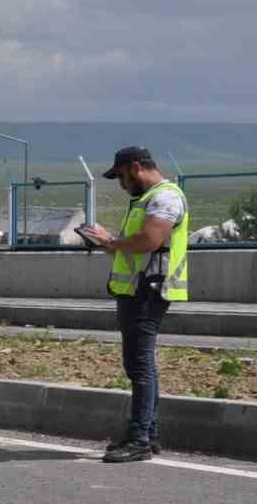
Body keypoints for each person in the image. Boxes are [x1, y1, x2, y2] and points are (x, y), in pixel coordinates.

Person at [79, 146, 189, 463]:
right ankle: (146, 433)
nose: (121, 184)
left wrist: (111, 242)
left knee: (139, 366)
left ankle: (140, 438)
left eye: (122, 177)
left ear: (137, 167)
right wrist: (105, 241)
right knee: (140, 365)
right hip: (138, 289)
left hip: (148, 290)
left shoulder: (164, 197)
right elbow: (133, 248)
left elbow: (149, 241)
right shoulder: (146, 199)